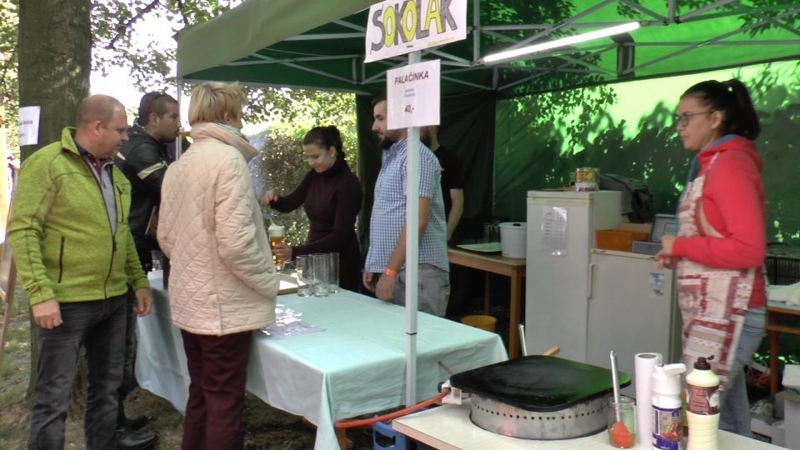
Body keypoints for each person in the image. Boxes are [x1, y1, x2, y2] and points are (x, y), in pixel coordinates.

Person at [8, 95, 153, 450]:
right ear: (97, 127)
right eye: (120, 130)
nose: (126, 137)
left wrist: (138, 281)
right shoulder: (48, 164)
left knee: (107, 390)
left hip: (114, 300)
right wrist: (40, 295)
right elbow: (23, 229)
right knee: (53, 398)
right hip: (65, 303)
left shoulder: (115, 171)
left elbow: (122, 233)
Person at [157, 82, 280, 450]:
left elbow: (166, 237)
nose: (242, 123)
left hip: (192, 300)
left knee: (202, 392)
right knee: (224, 398)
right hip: (221, 306)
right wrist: (269, 281)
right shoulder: (229, 161)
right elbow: (236, 243)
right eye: (239, 115)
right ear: (227, 115)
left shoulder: (179, 165)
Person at [656, 79, 766, 438]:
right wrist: (681, 256)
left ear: (716, 118)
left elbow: (749, 249)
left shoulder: (730, 165)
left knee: (703, 414)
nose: (679, 126)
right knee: (727, 420)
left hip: (733, 311)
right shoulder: (713, 164)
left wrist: (681, 247)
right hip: (713, 308)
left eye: (687, 117)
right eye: (678, 118)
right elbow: (716, 239)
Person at [112, 91, 180, 447]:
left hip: (134, 247)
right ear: (154, 119)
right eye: (174, 118)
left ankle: (116, 417)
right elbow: (174, 188)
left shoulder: (149, 146)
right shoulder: (141, 149)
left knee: (123, 340)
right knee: (118, 343)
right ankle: (113, 428)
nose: (179, 125)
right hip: (128, 250)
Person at [363, 94, 450, 316]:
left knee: (422, 339)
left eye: (380, 118)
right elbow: (389, 213)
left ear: (401, 118)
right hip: (399, 271)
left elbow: (417, 220)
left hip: (418, 273)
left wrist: (390, 271)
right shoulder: (394, 156)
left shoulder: (416, 157)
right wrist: (375, 263)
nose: (374, 126)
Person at [262, 126, 363, 291]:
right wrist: (275, 200)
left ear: (332, 151)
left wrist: (295, 252)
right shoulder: (314, 176)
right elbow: (289, 204)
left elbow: (340, 237)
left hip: (340, 264)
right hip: (313, 259)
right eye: (308, 157)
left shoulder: (348, 184)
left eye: (315, 156)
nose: (311, 162)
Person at [420, 125, 464, 243]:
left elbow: (457, 202)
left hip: (438, 230)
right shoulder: (411, 159)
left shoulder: (450, 159)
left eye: (419, 128)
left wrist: (446, 236)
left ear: (431, 128)